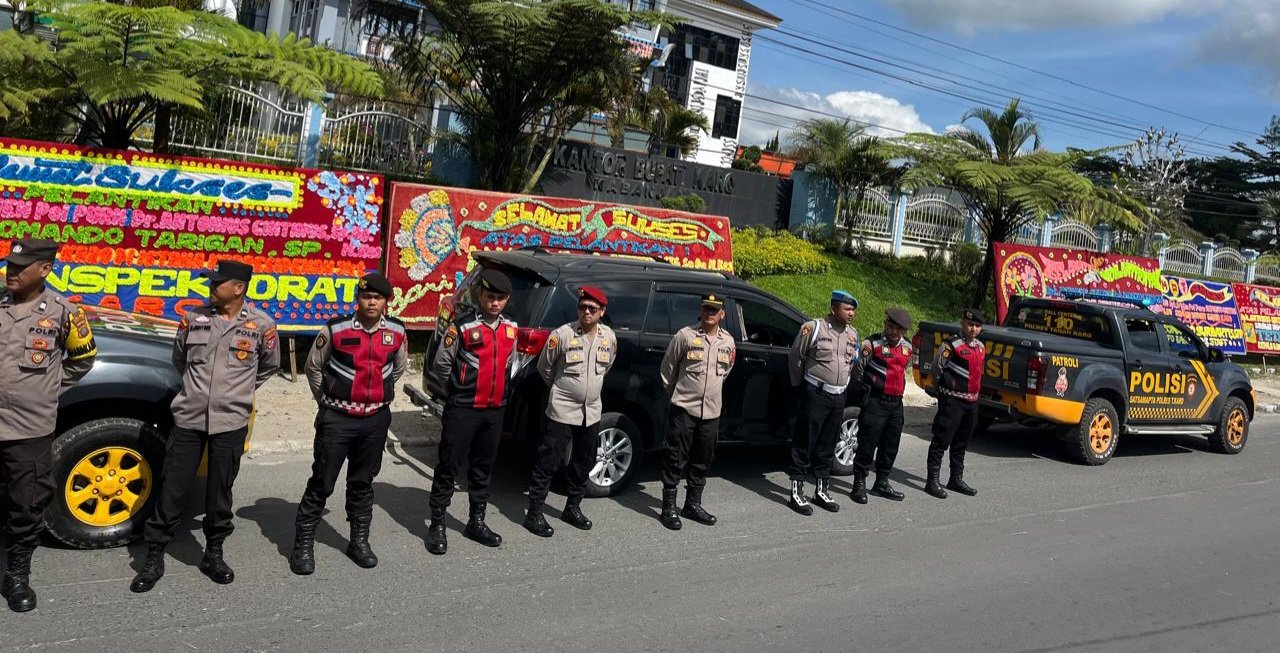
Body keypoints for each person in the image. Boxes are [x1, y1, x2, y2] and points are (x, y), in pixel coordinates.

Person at [130, 260, 280, 593]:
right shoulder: (193, 319)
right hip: (190, 418)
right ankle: (154, 557)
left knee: (219, 491)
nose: (211, 288)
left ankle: (213, 553)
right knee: (172, 488)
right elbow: (179, 359)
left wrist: (238, 392)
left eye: (218, 283)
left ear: (238, 288)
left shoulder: (261, 326)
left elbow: (269, 366)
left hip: (230, 421)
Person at [0, 238, 96, 612]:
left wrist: (48, 387)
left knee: (26, 505)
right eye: (9, 264)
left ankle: (17, 575)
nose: (11, 272)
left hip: (28, 428)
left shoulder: (63, 313)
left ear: (44, 270)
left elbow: (82, 359)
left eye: (20, 266)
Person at [289, 273, 408, 575]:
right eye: (366, 296)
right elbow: (313, 367)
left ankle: (359, 541)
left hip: (375, 420)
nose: (371, 302)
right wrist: (328, 401)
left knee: (362, 482)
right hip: (337, 419)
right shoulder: (335, 329)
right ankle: (303, 544)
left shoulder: (396, 331)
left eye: (378, 298)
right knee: (322, 482)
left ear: (385, 302)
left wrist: (376, 397)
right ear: (358, 299)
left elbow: (398, 368)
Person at [426, 269, 518, 555]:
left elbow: (510, 364)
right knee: (448, 466)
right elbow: (441, 366)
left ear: (506, 301)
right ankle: (437, 523)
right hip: (463, 409)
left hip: (494, 411)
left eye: (500, 299)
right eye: (490, 296)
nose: (494, 303)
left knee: (483, 468)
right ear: (481, 295)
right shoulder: (461, 327)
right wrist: (457, 391)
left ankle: (476, 521)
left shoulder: (511, 329)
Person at [523, 286, 617, 537]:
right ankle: (534, 512)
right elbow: (545, 368)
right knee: (548, 460)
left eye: (592, 309)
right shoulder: (562, 335)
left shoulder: (608, 337)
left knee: (583, 461)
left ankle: (572, 507)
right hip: (563, 409)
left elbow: (606, 367)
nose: (586, 312)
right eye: (582, 307)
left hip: (592, 411)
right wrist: (566, 389)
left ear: (602, 312)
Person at [657, 293, 735, 530]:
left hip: (711, 412)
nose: (710, 313)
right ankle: (668, 507)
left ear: (722, 314)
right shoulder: (685, 335)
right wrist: (677, 396)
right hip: (684, 408)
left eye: (715, 310)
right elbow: (667, 369)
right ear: (700, 311)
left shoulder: (728, 342)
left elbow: (727, 369)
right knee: (675, 458)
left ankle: (693, 504)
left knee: (703, 459)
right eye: (706, 309)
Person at [786, 290, 860, 515]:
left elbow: (852, 361)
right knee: (804, 442)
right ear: (833, 309)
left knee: (828, 444)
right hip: (815, 393)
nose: (851, 314)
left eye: (853, 310)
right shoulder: (814, 328)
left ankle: (821, 489)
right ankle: (796, 492)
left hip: (839, 396)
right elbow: (796, 357)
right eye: (847, 309)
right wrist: (800, 386)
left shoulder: (852, 334)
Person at [850, 308, 913, 504]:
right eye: (891, 326)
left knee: (890, 445)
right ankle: (859, 483)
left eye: (898, 329)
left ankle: (882, 482)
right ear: (885, 324)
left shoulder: (908, 347)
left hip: (896, 404)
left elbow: (904, 370)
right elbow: (858, 370)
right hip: (876, 401)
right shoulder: (872, 344)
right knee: (867, 443)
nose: (893, 332)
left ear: (904, 331)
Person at [924, 308, 985, 500]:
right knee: (941, 439)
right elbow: (936, 368)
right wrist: (943, 392)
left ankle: (955, 479)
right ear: (962, 323)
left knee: (961, 442)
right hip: (952, 401)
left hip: (972, 402)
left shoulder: (981, 347)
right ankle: (932, 481)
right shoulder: (951, 344)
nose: (973, 328)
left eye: (977, 325)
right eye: (970, 324)